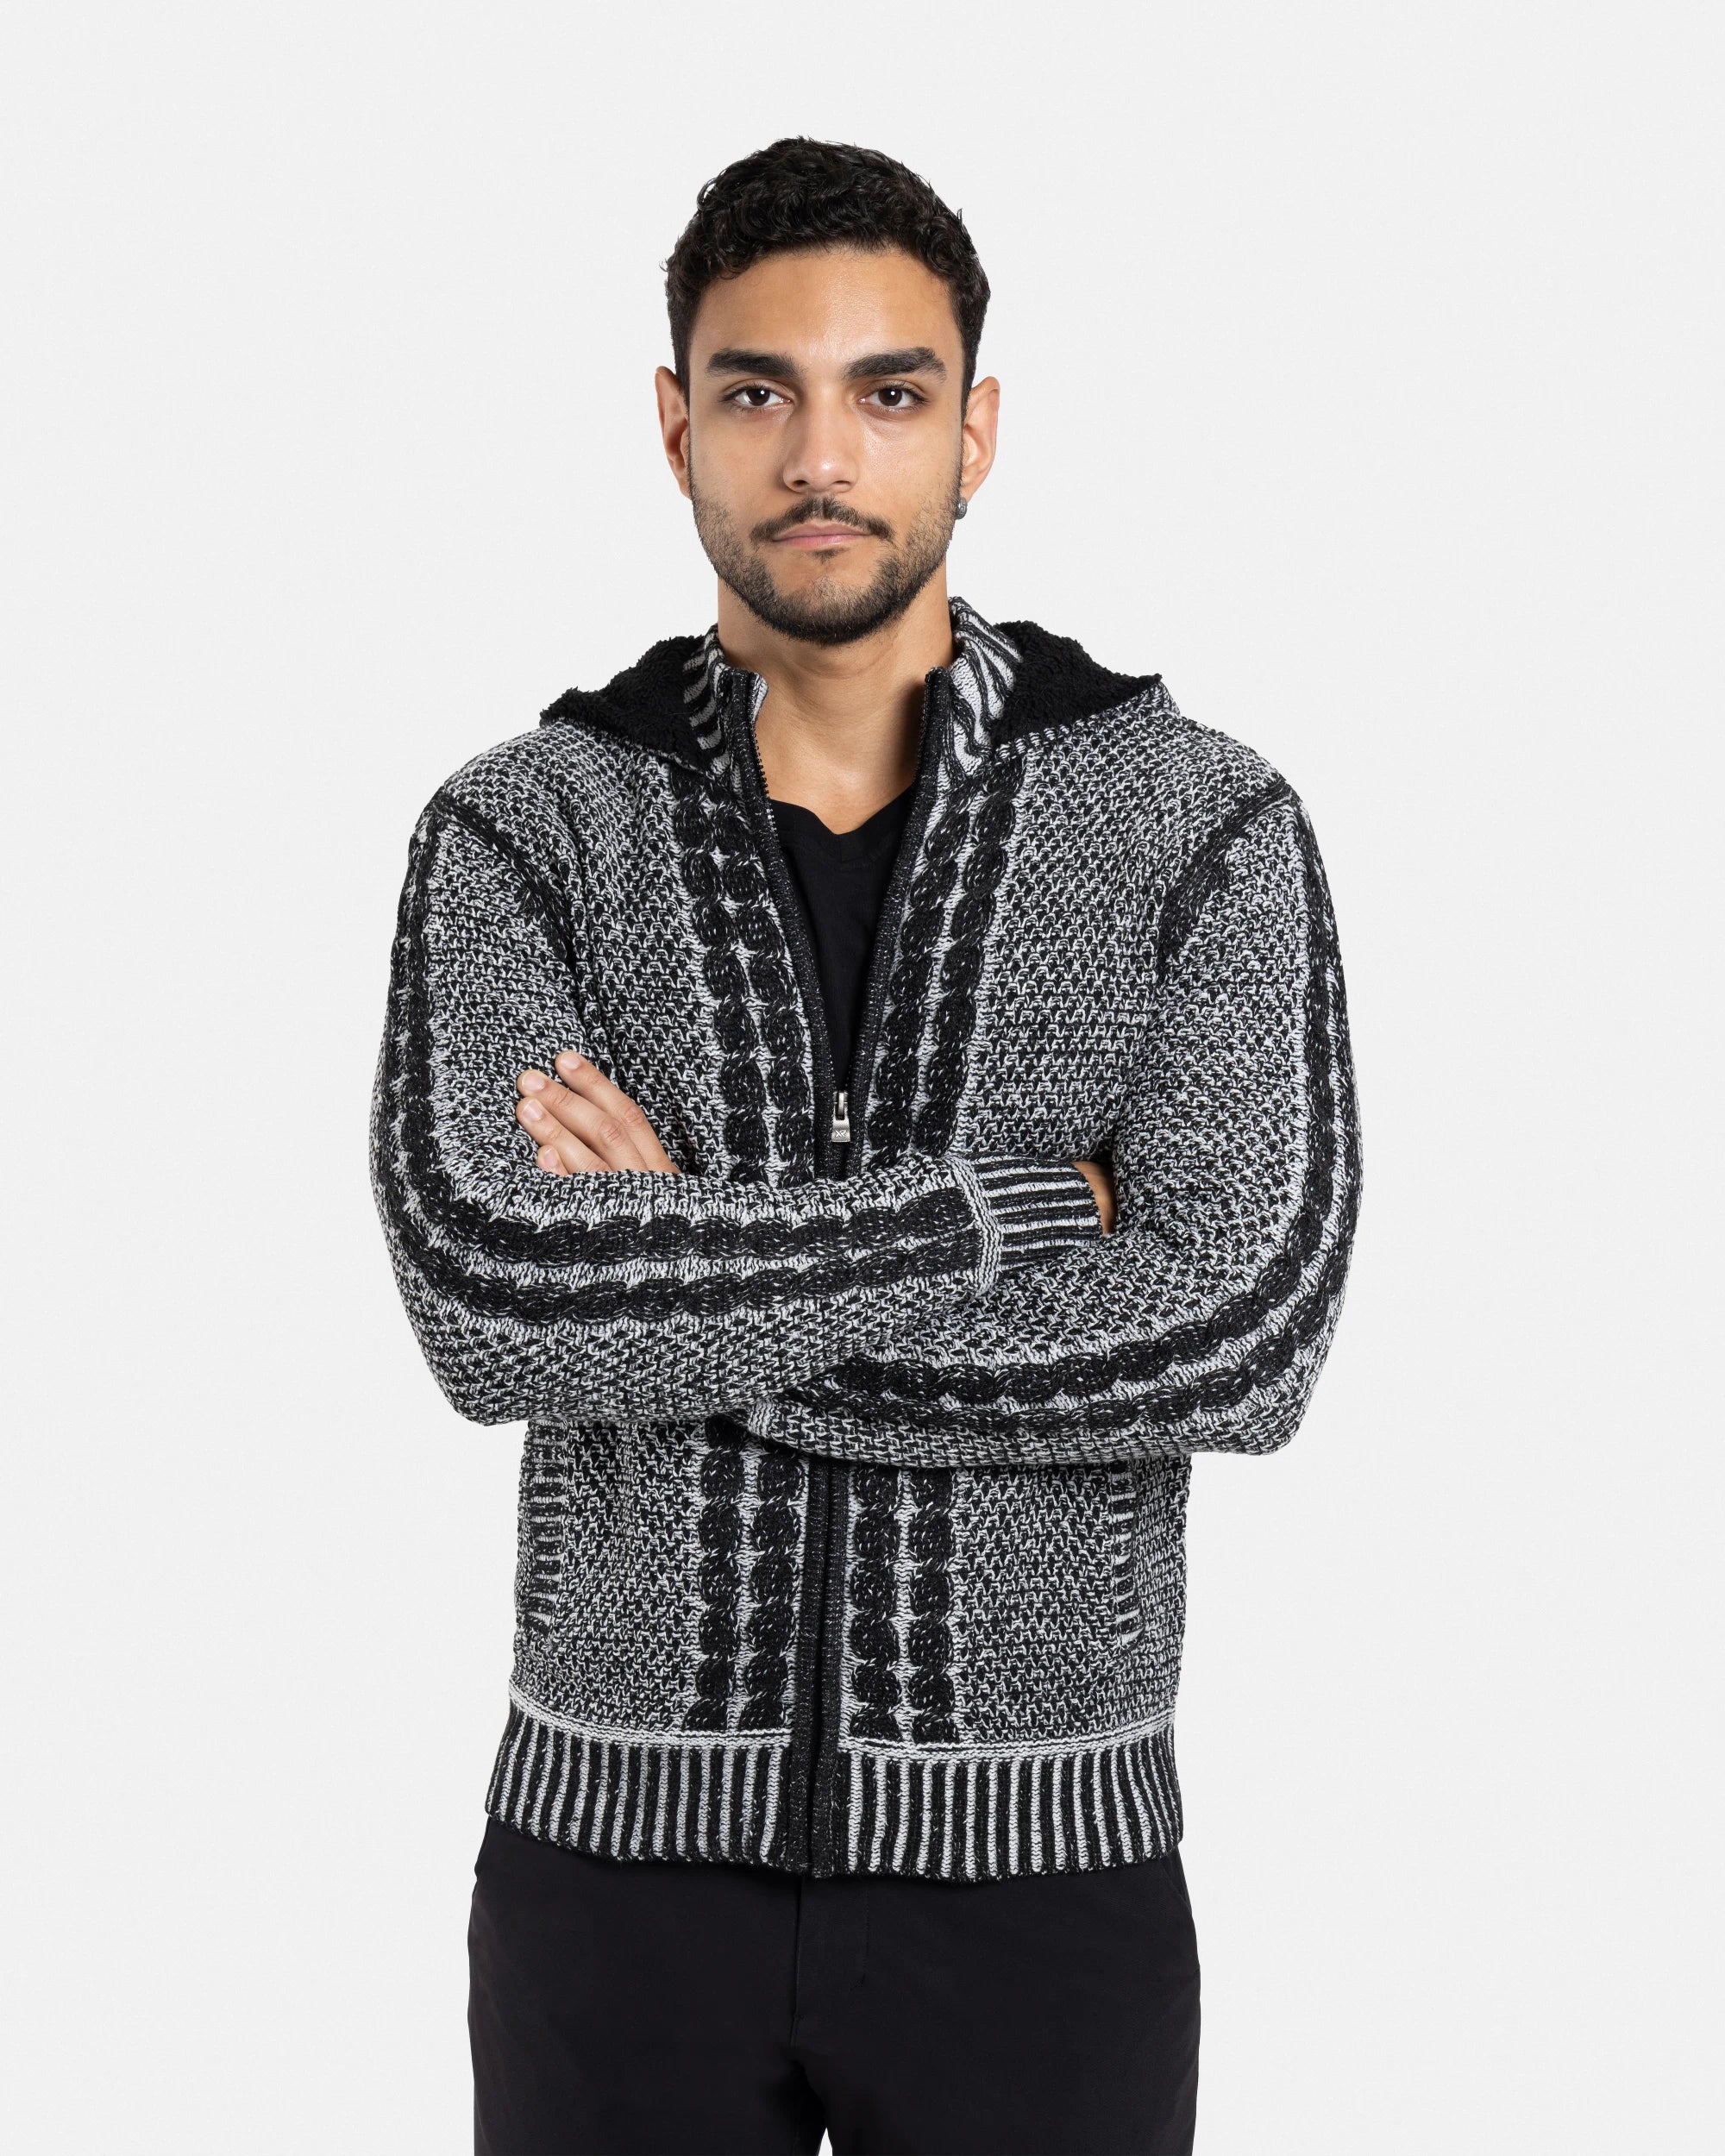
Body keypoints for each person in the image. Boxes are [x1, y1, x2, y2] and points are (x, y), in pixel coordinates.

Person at [370, 135, 1363, 2156]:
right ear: (677, 426)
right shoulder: (522, 827)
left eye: (887, 392)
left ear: (973, 430)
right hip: (609, 1876)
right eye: (760, 391)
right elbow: (492, 1298)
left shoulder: (1200, 824)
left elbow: (1240, 1331)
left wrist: (683, 1267)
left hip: (1045, 1879)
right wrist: (1008, 1212)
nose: (821, 454)